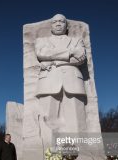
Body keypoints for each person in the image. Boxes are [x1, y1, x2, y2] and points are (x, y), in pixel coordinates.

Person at [34, 14, 88, 149]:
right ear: (51, 25)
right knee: (48, 119)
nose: (58, 24)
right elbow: (41, 54)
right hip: (48, 81)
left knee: (77, 120)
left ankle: (80, 153)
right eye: (55, 22)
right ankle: (52, 152)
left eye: (61, 22)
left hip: (73, 81)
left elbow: (80, 58)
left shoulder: (76, 40)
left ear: (66, 25)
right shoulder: (42, 40)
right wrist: (69, 53)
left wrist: (52, 59)